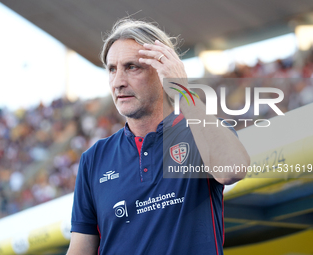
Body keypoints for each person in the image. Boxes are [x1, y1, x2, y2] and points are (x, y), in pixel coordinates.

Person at [67, 18, 250, 255]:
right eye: (112, 69)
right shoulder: (94, 159)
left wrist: (182, 89)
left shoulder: (200, 131)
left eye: (132, 67)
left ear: (163, 70)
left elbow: (233, 170)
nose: (118, 82)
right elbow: (81, 249)